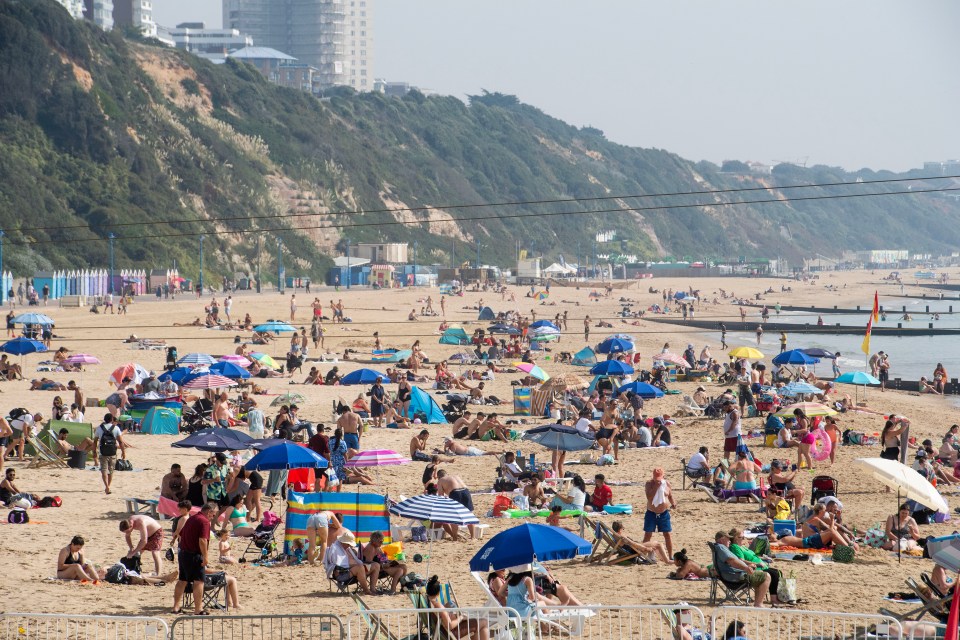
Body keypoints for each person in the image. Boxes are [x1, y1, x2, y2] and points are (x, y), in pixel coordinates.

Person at [172, 502, 215, 615]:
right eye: (213, 515)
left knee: (182, 580)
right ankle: (198, 609)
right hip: (194, 554)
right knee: (199, 582)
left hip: (183, 553)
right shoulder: (204, 521)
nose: (213, 517)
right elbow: (202, 540)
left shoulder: (192, 518)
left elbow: (180, 534)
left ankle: (176, 607)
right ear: (209, 512)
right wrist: (205, 557)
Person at [713, 531, 770, 608]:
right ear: (722, 539)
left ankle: (758, 602)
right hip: (735, 577)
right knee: (766, 576)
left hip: (731, 575)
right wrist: (746, 568)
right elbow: (732, 561)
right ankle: (758, 604)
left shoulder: (718, 547)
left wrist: (748, 565)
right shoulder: (721, 547)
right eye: (728, 539)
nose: (730, 541)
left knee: (759, 574)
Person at [426, 575, 491, 640]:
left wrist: (454, 616)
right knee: (484, 622)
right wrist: (460, 618)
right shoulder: (438, 606)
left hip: (443, 631)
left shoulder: (429, 604)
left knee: (478, 626)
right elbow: (450, 626)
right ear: (438, 593)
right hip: (451, 633)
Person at [324, 530, 374, 596]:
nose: (349, 546)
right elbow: (338, 566)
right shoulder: (335, 549)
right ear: (343, 542)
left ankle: (373, 589)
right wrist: (355, 565)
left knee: (375, 565)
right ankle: (366, 591)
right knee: (360, 568)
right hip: (340, 576)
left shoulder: (345, 548)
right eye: (348, 544)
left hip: (347, 571)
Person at [362, 531, 408, 595]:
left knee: (404, 567)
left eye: (382, 540)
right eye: (380, 541)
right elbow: (367, 562)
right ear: (374, 541)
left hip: (383, 567)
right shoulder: (370, 548)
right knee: (399, 570)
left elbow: (383, 559)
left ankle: (403, 587)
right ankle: (392, 590)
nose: (382, 542)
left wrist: (390, 562)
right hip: (377, 570)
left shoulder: (378, 548)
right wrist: (382, 565)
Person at [643, 468, 675, 558]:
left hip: (663, 513)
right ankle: (642, 555)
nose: (658, 480)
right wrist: (656, 487)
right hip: (651, 513)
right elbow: (649, 497)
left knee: (667, 534)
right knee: (648, 534)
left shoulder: (667, 484)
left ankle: (670, 555)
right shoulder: (649, 484)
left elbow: (670, 496)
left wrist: (673, 503)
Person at [436, 470, 477, 539]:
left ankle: (455, 537)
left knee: (454, 517)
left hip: (455, 493)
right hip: (466, 492)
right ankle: (473, 537)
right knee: (469, 515)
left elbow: (441, 496)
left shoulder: (440, 480)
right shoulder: (455, 476)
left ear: (438, 477)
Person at [94, 414, 125, 495]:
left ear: (104, 419)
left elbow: (95, 441)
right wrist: (123, 452)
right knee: (111, 470)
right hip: (112, 452)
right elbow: (121, 442)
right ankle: (109, 486)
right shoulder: (116, 428)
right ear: (112, 419)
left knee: (103, 470)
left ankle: (106, 486)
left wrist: (94, 452)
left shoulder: (99, 428)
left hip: (102, 452)